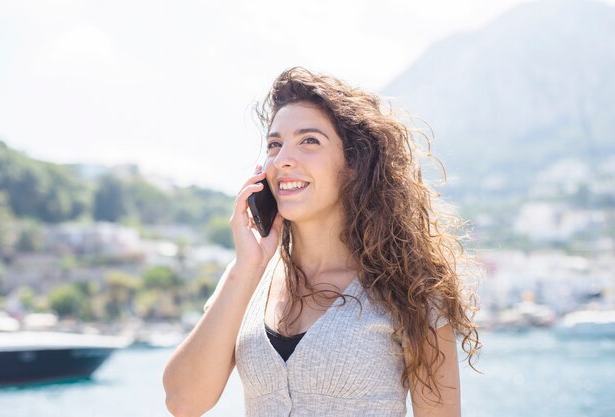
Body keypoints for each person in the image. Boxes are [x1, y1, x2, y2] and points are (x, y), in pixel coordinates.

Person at [163, 67, 481, 417]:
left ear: (353, 164)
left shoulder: (410, 287)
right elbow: (183, 402)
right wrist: (247, 268)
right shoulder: (247, 275)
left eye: (309, 141)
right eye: (274, 144)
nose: (283, 158)